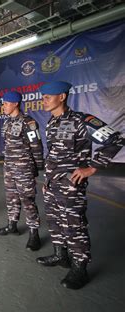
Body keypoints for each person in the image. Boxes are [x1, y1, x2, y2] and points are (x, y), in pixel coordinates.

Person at [36, 81, 123, 290]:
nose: (44, 100)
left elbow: (115, 139)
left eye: (48, 96)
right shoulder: (52, 122)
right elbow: (54, 155)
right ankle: (61, 256)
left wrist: (91, 168)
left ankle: (79, 268)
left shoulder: (82, 121)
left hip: (71, 186)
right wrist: (47, 180)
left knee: (74, 226)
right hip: (52, 184)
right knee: (55, 221)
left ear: (62, 97)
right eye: (43, 96)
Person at [0, 91, 44, 251]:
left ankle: (34, 233)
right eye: (3, 104)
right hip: (9, 168)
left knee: (28, 201)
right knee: (11, 198)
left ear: (15, 104)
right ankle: (12, 225)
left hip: (24, 170)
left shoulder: (28, 122)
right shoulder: (7, 123)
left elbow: (37, 148)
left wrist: (36, 169)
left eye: (6, 104)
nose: (3, 107)